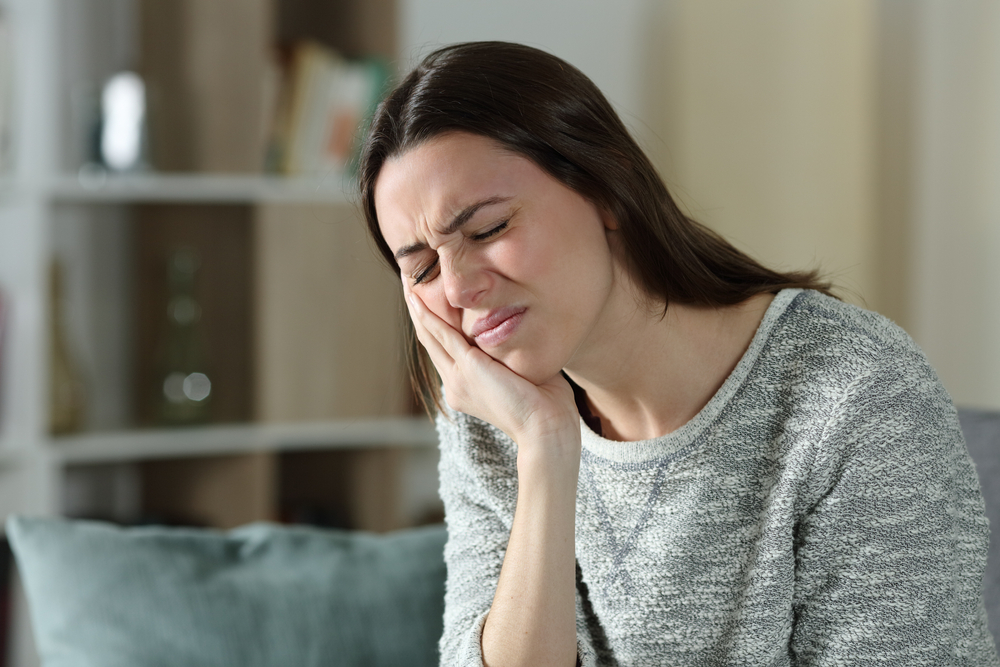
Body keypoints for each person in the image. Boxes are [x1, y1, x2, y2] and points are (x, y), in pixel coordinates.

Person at [359, 41, 999, 666]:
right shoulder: (496, 414)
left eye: (488, 229)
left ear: (604, 189)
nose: (461, 287)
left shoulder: (855, 393)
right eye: (421, 269)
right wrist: (546, 448)